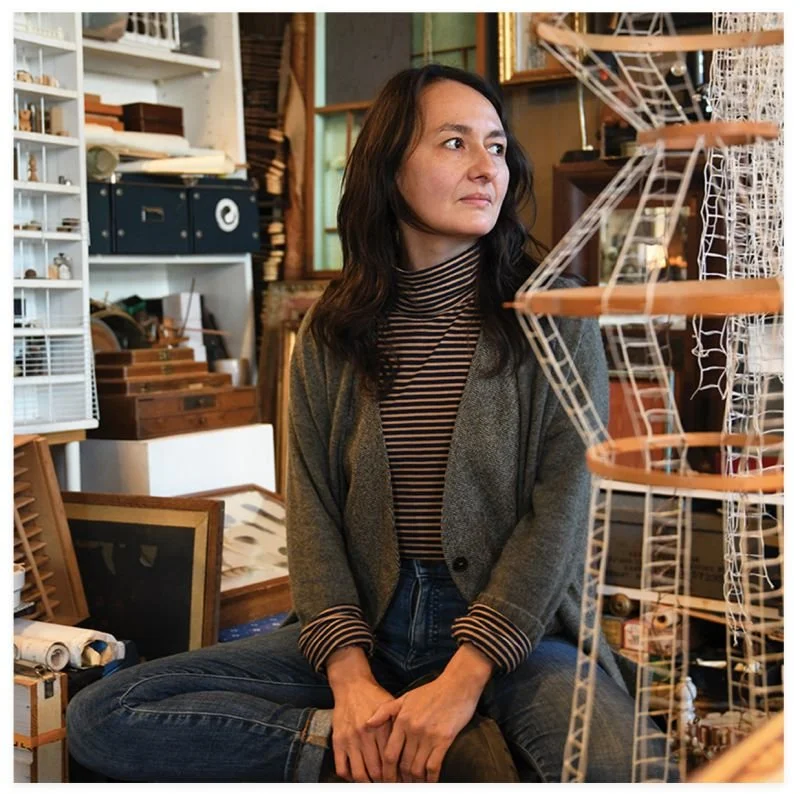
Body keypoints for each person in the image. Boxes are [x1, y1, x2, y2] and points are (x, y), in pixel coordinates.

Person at [66, 64, 672, 783]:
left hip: (519, 636)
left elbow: (563, 514)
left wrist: (463, 680)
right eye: (454, 144)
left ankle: (421, 745)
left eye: (497, 147)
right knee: (103, 715)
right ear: (390, 168)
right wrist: (350, 685)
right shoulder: (332, 329)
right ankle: (366, 752)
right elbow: (314, 512)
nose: (486, 168)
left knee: (627, 769)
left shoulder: (552, 319)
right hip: (365, 629)